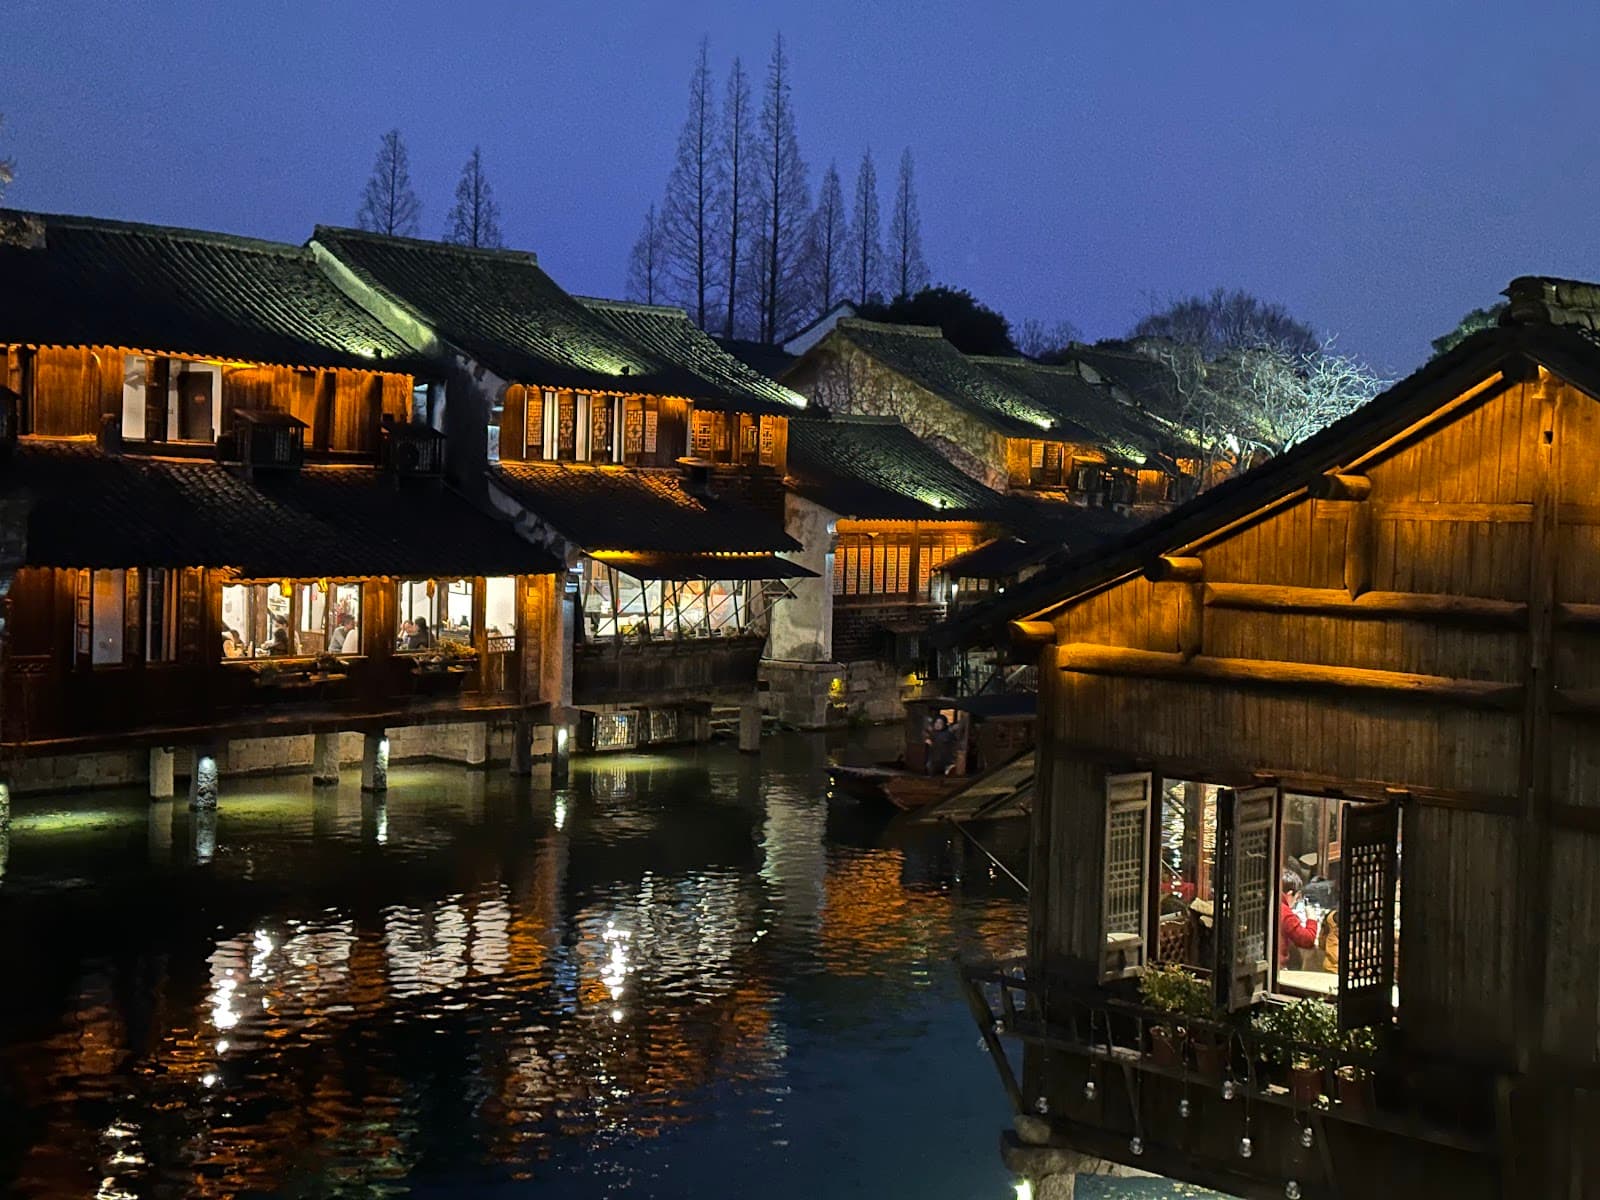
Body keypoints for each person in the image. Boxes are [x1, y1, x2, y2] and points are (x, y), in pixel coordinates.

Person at [1279, 870, 1318, 968]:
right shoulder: (1285, 912)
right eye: (1296, 898)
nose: (1295, 902)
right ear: (1290, 894)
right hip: (1278, 967)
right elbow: (1307, 940)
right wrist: (1312, 919)